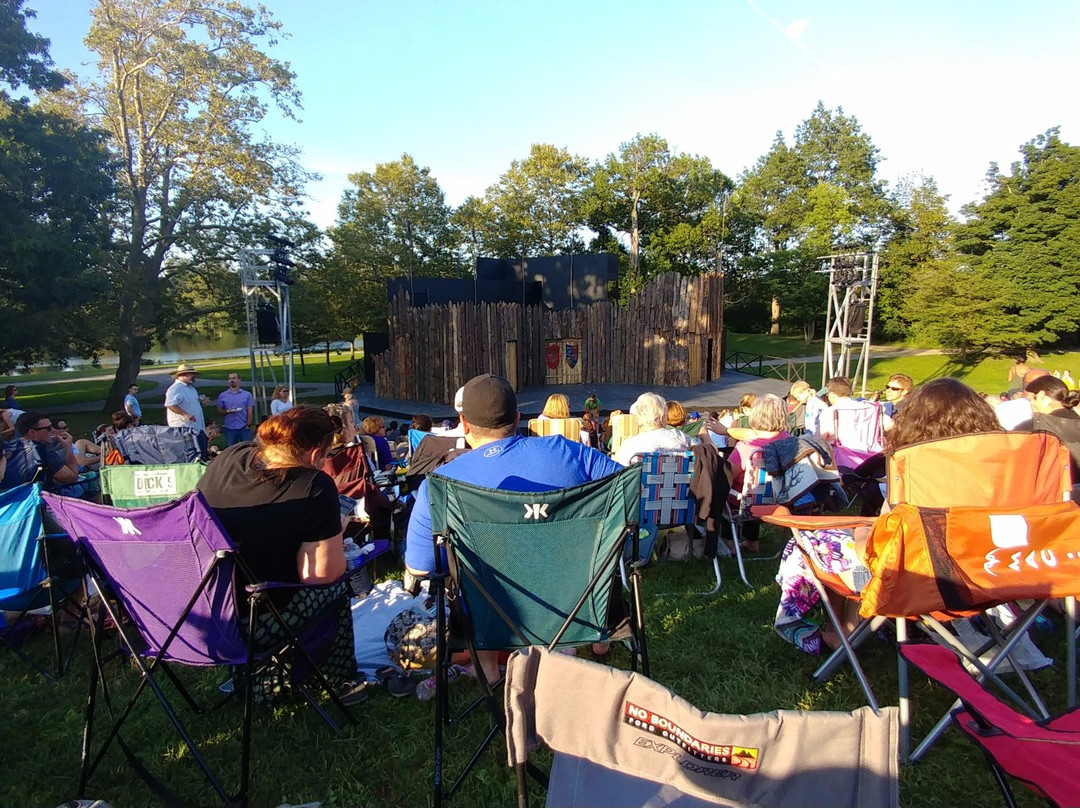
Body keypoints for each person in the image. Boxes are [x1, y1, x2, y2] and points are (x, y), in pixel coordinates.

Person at [405, 374, 622, 680]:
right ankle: (558, 654)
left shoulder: (443, 484)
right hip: (574, 605)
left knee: (471, 579)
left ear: (464, 425)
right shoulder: (569, 453)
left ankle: (490, 672)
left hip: (490, 616)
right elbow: (624, 492)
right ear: (518, 419)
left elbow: (420, 568)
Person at [196, 406, 364, 704]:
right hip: (254, 619)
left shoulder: (230, 457)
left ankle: (248, 677)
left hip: (200, 614)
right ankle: (339, 680)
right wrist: (335, 530)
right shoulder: (313, 485)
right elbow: (321, 576)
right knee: (340, 585)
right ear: (315, 456)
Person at [1015, 375, 1080, 499]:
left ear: (1042, 396)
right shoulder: (1076, 422)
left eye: (1031, 400)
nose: (1031, 406)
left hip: (1049, 498)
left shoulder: (1031, 427)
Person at [614, 393, 691, 466]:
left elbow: (624, 473)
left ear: (638, 417)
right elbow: (698, 450)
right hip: (678, 480)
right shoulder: (680, 437)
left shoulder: (629, 445)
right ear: (661, 417)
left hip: (643, 480)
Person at [164, 363, 208, 433]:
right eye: (192, 374)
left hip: (196, 427)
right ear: (186, 374)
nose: (194, 376)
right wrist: (185, 414)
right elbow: (170, 405)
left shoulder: (191, 388)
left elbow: (189, 403)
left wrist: (201, 402)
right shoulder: (175, 388)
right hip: (184, 428)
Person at [216, 372, 256, 446]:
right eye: (230, 378)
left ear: (239, 380)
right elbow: (219, 410)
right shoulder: (223, 395)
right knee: (231, 449)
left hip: (243, 426)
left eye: (234, 378)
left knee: (247, 448)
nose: (232, 380)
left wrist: (248, 424)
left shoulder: (247, 394)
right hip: (230, 427)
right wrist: (226, 411)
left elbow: (250, 411)